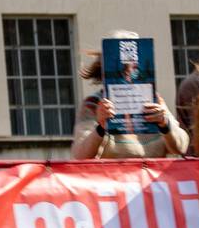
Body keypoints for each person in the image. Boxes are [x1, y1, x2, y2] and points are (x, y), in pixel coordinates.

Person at [70, 30, 189, 159]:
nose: (129, 71)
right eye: (122, 66)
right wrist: (101, 127)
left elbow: (181, 147)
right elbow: (80, 155)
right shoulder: (93, 104)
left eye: (134, 65)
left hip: (152, 178)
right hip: (112, 177)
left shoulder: (154, 101)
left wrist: (164, 123)